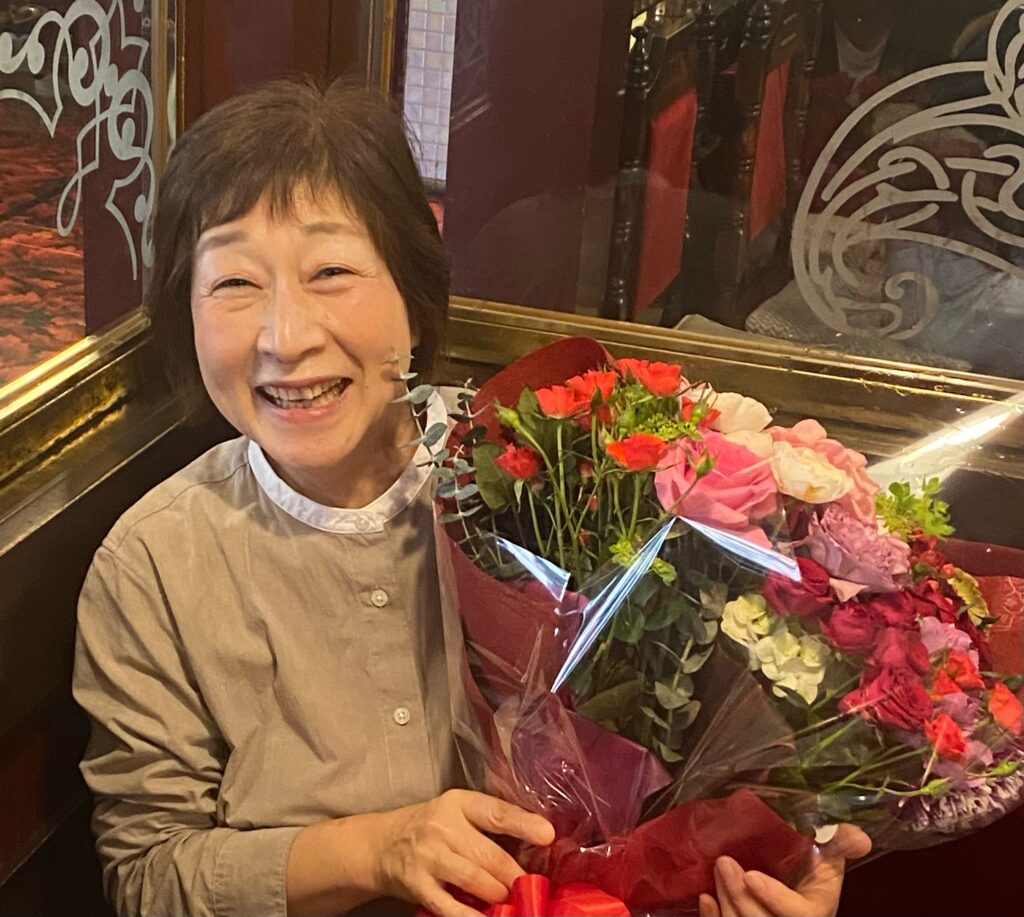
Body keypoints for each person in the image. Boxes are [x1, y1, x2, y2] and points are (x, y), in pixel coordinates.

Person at [72, 78, 866, 917]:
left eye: (330, 270)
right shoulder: (154, 563)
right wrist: (375, 851)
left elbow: (717, 767)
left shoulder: (570, 481)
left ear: (413, 298)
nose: (287, 336)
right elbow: (149, 875)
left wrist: (769, 865)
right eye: (234, 283)